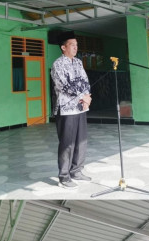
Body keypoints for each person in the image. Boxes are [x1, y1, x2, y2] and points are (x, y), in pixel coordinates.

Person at [51, 31, 92, 189]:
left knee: (81, 141)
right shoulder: (57, 64)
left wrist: (87, 96)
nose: (76, 48)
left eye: (76, 45)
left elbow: (85, 80)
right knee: (67, 143)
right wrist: (82, 96)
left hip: (80, 107)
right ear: (63, 47)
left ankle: (76, 170)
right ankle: (63, 176)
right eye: (72, 45)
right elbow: (64, 86)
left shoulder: (78, 62)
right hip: (66, 109)